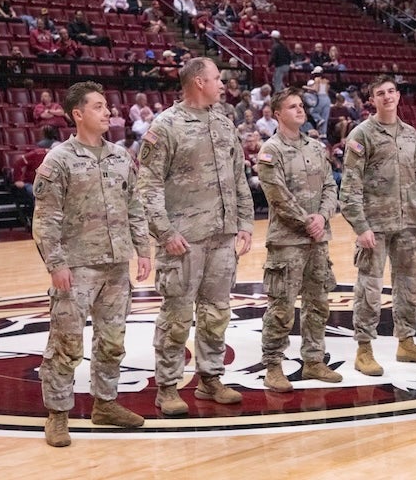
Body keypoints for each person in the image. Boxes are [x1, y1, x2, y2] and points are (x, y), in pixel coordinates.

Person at [32, 81, 151, 447]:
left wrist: (143, 249)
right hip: (77, 266)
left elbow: (134, 205)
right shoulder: (59, 160)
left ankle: (106, 404)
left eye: (107, 106)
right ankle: (58, 415)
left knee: (112, 341)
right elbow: (45, 218)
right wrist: (56, 263)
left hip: (116, 265)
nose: (108, 112)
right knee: (66, 344)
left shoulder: (119, 156)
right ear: (77, 114)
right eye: (98, 107)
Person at [136, 57, 254, 413]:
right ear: (199, 81)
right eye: (217, 78)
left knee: (217, 312)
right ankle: (168, 386)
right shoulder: (166, 126)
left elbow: (238, 178)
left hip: (222, 236)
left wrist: (245, 223)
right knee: (176, 316)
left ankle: (210, 378)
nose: (223, 83)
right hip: (183, 240)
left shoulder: (223, 122)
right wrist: (164, 231)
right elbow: (148, 186)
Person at [339, 76, 416, 376]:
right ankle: (364, 349)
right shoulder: (362, 134)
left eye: (391, 91)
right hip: (375, 224)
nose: (387, 97)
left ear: (398, 95)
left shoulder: (410, 134)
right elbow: (350, 185)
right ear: (372, 99)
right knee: (369, 289)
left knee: (409, 286)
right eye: (380, 93)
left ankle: (406, 342)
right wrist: (360, 225)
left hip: (408, 222)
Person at [257, 88, 341, 391]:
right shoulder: (270, 151)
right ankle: (273, 365)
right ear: (277, 114)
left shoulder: (317, 148)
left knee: (318, 304)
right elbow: (277, 196)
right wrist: (308, 222)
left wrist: (322, 216)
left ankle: (314, 361)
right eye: (292, 106)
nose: (299, 110)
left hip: (318, 241)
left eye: (301, 105)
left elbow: (331, 186)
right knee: (281, 307)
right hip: (287, 242)